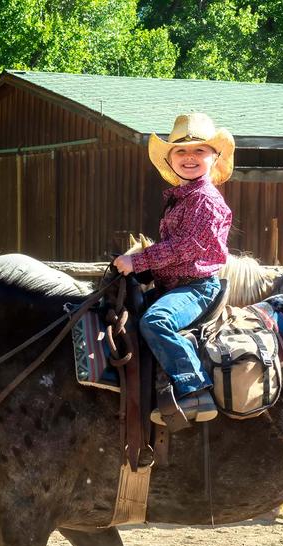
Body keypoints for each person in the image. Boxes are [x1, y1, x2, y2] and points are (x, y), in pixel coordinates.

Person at [113, 112, 235, 423]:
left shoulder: (206, 201)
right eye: (181, 151)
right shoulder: (181, 199)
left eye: (199, 150)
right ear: (170, 159)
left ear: (214, 156)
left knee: (156, 321)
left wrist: (138, 260)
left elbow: (187, 247)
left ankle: (195, 392)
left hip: (196, 288)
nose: (189, 157)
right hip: (174, 286)